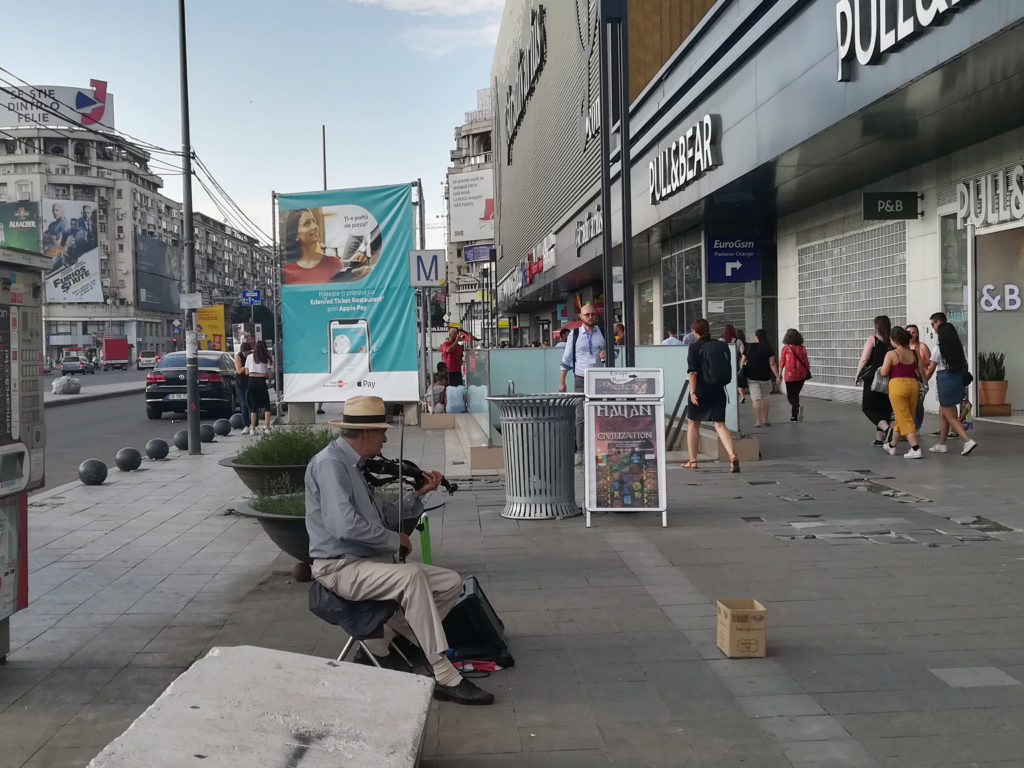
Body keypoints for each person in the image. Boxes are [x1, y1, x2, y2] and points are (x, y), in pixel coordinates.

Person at [305, 396, 494, 706]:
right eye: (382, 431)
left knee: (450, 582)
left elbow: (380, 517)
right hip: (339, 568)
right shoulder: (330, 465)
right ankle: (443, 673)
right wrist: (396, 541)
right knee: (411, 578)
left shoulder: (353, 465)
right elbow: (345, 527)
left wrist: (417, 495)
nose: (386, 437)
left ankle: (382, 644)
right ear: (365, 434)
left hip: (365, 563)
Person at [682, 318, 739, 472]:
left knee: (693, 423)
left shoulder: (694, 348)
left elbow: (693, 372)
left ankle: (693, 461)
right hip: (718, 389)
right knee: (719, 424)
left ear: (695, 332)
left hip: (700, 390)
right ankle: (732, 455)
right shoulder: (720, 345)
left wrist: (692, 392)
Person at [558, 304, 606, 465]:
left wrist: (608, 353)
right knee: (581, 417)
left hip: (599, 378)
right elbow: (567, 358)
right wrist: (562, 382)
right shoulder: (575, 334)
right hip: (581, 378)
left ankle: (597, 450)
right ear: (581, 317)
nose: (590, 317)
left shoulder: (602, 332)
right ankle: (580, 451)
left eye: (593, 314)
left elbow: (614, 352)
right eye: (587, 315)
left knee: (598, 415)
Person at [925, 313, 977, 455]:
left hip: (945, 381)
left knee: (950, 416)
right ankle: (941, 444)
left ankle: (967, 441)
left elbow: (930, 369)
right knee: (944, 412)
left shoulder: (938, 348)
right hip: (957, 380)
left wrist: (922, 379)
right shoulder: (960, 349)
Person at [878, 326, 924, 459]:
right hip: (913, 386)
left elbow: (884, 372)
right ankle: (892, 445)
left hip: (897, 386)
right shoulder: (914, 353)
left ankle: (915, 448)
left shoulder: (892, 354)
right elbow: (920, 370)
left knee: (905, 418)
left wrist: (880, 370)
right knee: (902, 416)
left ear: (894, 341)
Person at [856, 315, 893, 446]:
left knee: (868, 408)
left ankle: (887, 429)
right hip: (889, 378)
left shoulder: (873, 339)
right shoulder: (892, 341)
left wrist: (858, 374)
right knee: (884, 408)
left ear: (876, 326)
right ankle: (879, 438)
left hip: (873, 379)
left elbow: (864, 359)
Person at [281, 208, 344, 285]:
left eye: (314, 221)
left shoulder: (334, 263)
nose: (315, 226)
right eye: (307, 223)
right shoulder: (286, 272)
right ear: (296, 235)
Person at [740, 329, 780, 428]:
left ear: (756, 337)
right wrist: (777, 376)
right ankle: (765, 419)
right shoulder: (768, 348)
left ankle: (757, 421)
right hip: (765, 376)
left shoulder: (749, 346)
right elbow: (772, 363)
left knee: (756, 399)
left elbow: (743, 361)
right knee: (765, 397)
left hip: (752, 376)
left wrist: (742, 370)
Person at [778, 328, 811, 422]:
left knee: (790, 396)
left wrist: (779, 375)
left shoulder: (786, 348)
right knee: (795, 395)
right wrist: (807, 370)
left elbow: (782, 362)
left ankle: (797, 408)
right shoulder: (802, 348)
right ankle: (794, 416)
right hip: (801, 375)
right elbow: (805, 361)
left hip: (790, 375)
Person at [244, 340, 274, 434]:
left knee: (253, 406)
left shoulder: (249, 357)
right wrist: (269, 382)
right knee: (267, 405)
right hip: (261, 381)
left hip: (251, 381)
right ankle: (267, 428)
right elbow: (270, 375)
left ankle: (252, 429)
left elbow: (246, 372)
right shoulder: (266, 358)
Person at [907, 324, 932, 431]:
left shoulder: (922, 346)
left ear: (917, 334)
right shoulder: (903, 347)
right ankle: (908, 427)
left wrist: (918, 362)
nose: (912, 335)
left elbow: (931, 362)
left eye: (914, 332)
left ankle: (916, 427)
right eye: (909, 333)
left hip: (920, 380)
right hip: (907, 380)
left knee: (918, 405)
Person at [234, 341, 252, 433]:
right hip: (240, 383)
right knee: (244, 404)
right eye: (244, 352)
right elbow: (239, 370)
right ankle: (246, 425)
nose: (246, 354)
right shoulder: (238, 356)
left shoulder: (251, 356)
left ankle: (253, 424)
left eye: (247, 352)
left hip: (250, 382)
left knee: (251, 404)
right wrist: (248, 366)